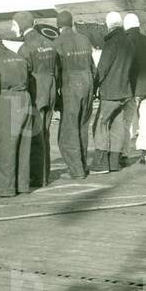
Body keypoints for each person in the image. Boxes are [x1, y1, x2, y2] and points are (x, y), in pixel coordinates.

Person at [0, 28, 33, 197]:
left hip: (7, 100)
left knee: (5, 145)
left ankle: (5, 188)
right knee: (23, 145)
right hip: (25, 99)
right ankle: (23, 185)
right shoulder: (17, 56)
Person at [15, 11, 59, 188]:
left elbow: (23, 75)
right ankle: (44, 174)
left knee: (35, 135)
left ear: (21, 25)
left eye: (14, 24)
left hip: (36, 92)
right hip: (51, 90)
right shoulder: (49, 43)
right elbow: (56, 70)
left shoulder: (25, 48)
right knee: (45, 133)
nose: (13, 28)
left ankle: (38, 176)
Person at [53, 10, 96, 179]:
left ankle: (76, 170)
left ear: (58, 26)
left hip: (70, 84)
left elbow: (56, 72)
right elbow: (93, 67)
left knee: (69, 129)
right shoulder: (84, 39)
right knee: (82, 126)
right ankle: (82, 165)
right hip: (87, 83)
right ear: (71, 23)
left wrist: (56, 95)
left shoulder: (57, 43)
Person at [91, 11, 134, 173]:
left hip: (110, 93)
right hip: (125, 92)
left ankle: (100, 163)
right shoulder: (129, 42)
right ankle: (114, 162)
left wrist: (94, 86)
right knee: (117, 126)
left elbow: (102, 68)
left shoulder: (111, 43)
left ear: (108, 25)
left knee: (101, 124)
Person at [124, 14, 146, 166]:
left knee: (128, 121)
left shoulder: (126, 41)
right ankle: (145, 153)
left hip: (133, 87)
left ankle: (124, 155)